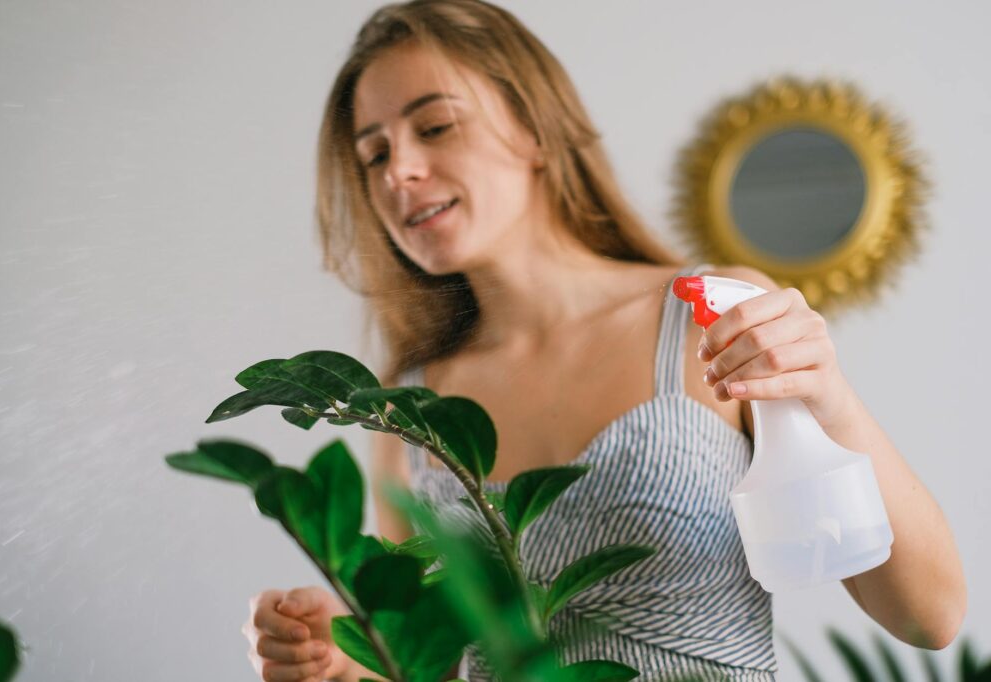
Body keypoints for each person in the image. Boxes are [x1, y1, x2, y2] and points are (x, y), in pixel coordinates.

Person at [240, 1, 967, 680]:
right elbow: (423, 664)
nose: (400, 171)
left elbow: (928, 617)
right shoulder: (403, 413)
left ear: (532, 128)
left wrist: (829, 400)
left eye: (434, 127)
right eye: (373, 156)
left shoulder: (710, 315)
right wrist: (341, 660)